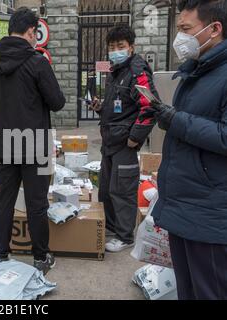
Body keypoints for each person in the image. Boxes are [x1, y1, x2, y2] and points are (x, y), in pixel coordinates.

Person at [147, 0, 227, 300]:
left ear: (214, 29)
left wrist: (175, 120)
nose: (179, 37)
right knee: (188, 291)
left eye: (186, 29)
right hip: (183, 204)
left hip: (209, 214)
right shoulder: (196, 71)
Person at [0, 8, 65, 274]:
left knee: (4, 198)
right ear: (31, 31)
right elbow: (57, 102)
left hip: (4, 141)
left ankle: (0, 253)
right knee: (36, 202)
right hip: (34, 145)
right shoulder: (37, 62)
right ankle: (41, 257)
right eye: (34, 34)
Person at [91, 26, 159, 252]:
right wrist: (101, 108)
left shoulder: (137, 71)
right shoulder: (116, 71)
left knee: (122, 190)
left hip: (124, 143)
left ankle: (125, 236)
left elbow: (150, 106)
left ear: (131, 48)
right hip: (110, 141)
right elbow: (119, 107)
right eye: (112, 47)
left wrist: (134, 138)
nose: (115, 51)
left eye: (121, 47)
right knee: (107, 189)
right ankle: (111, 226)